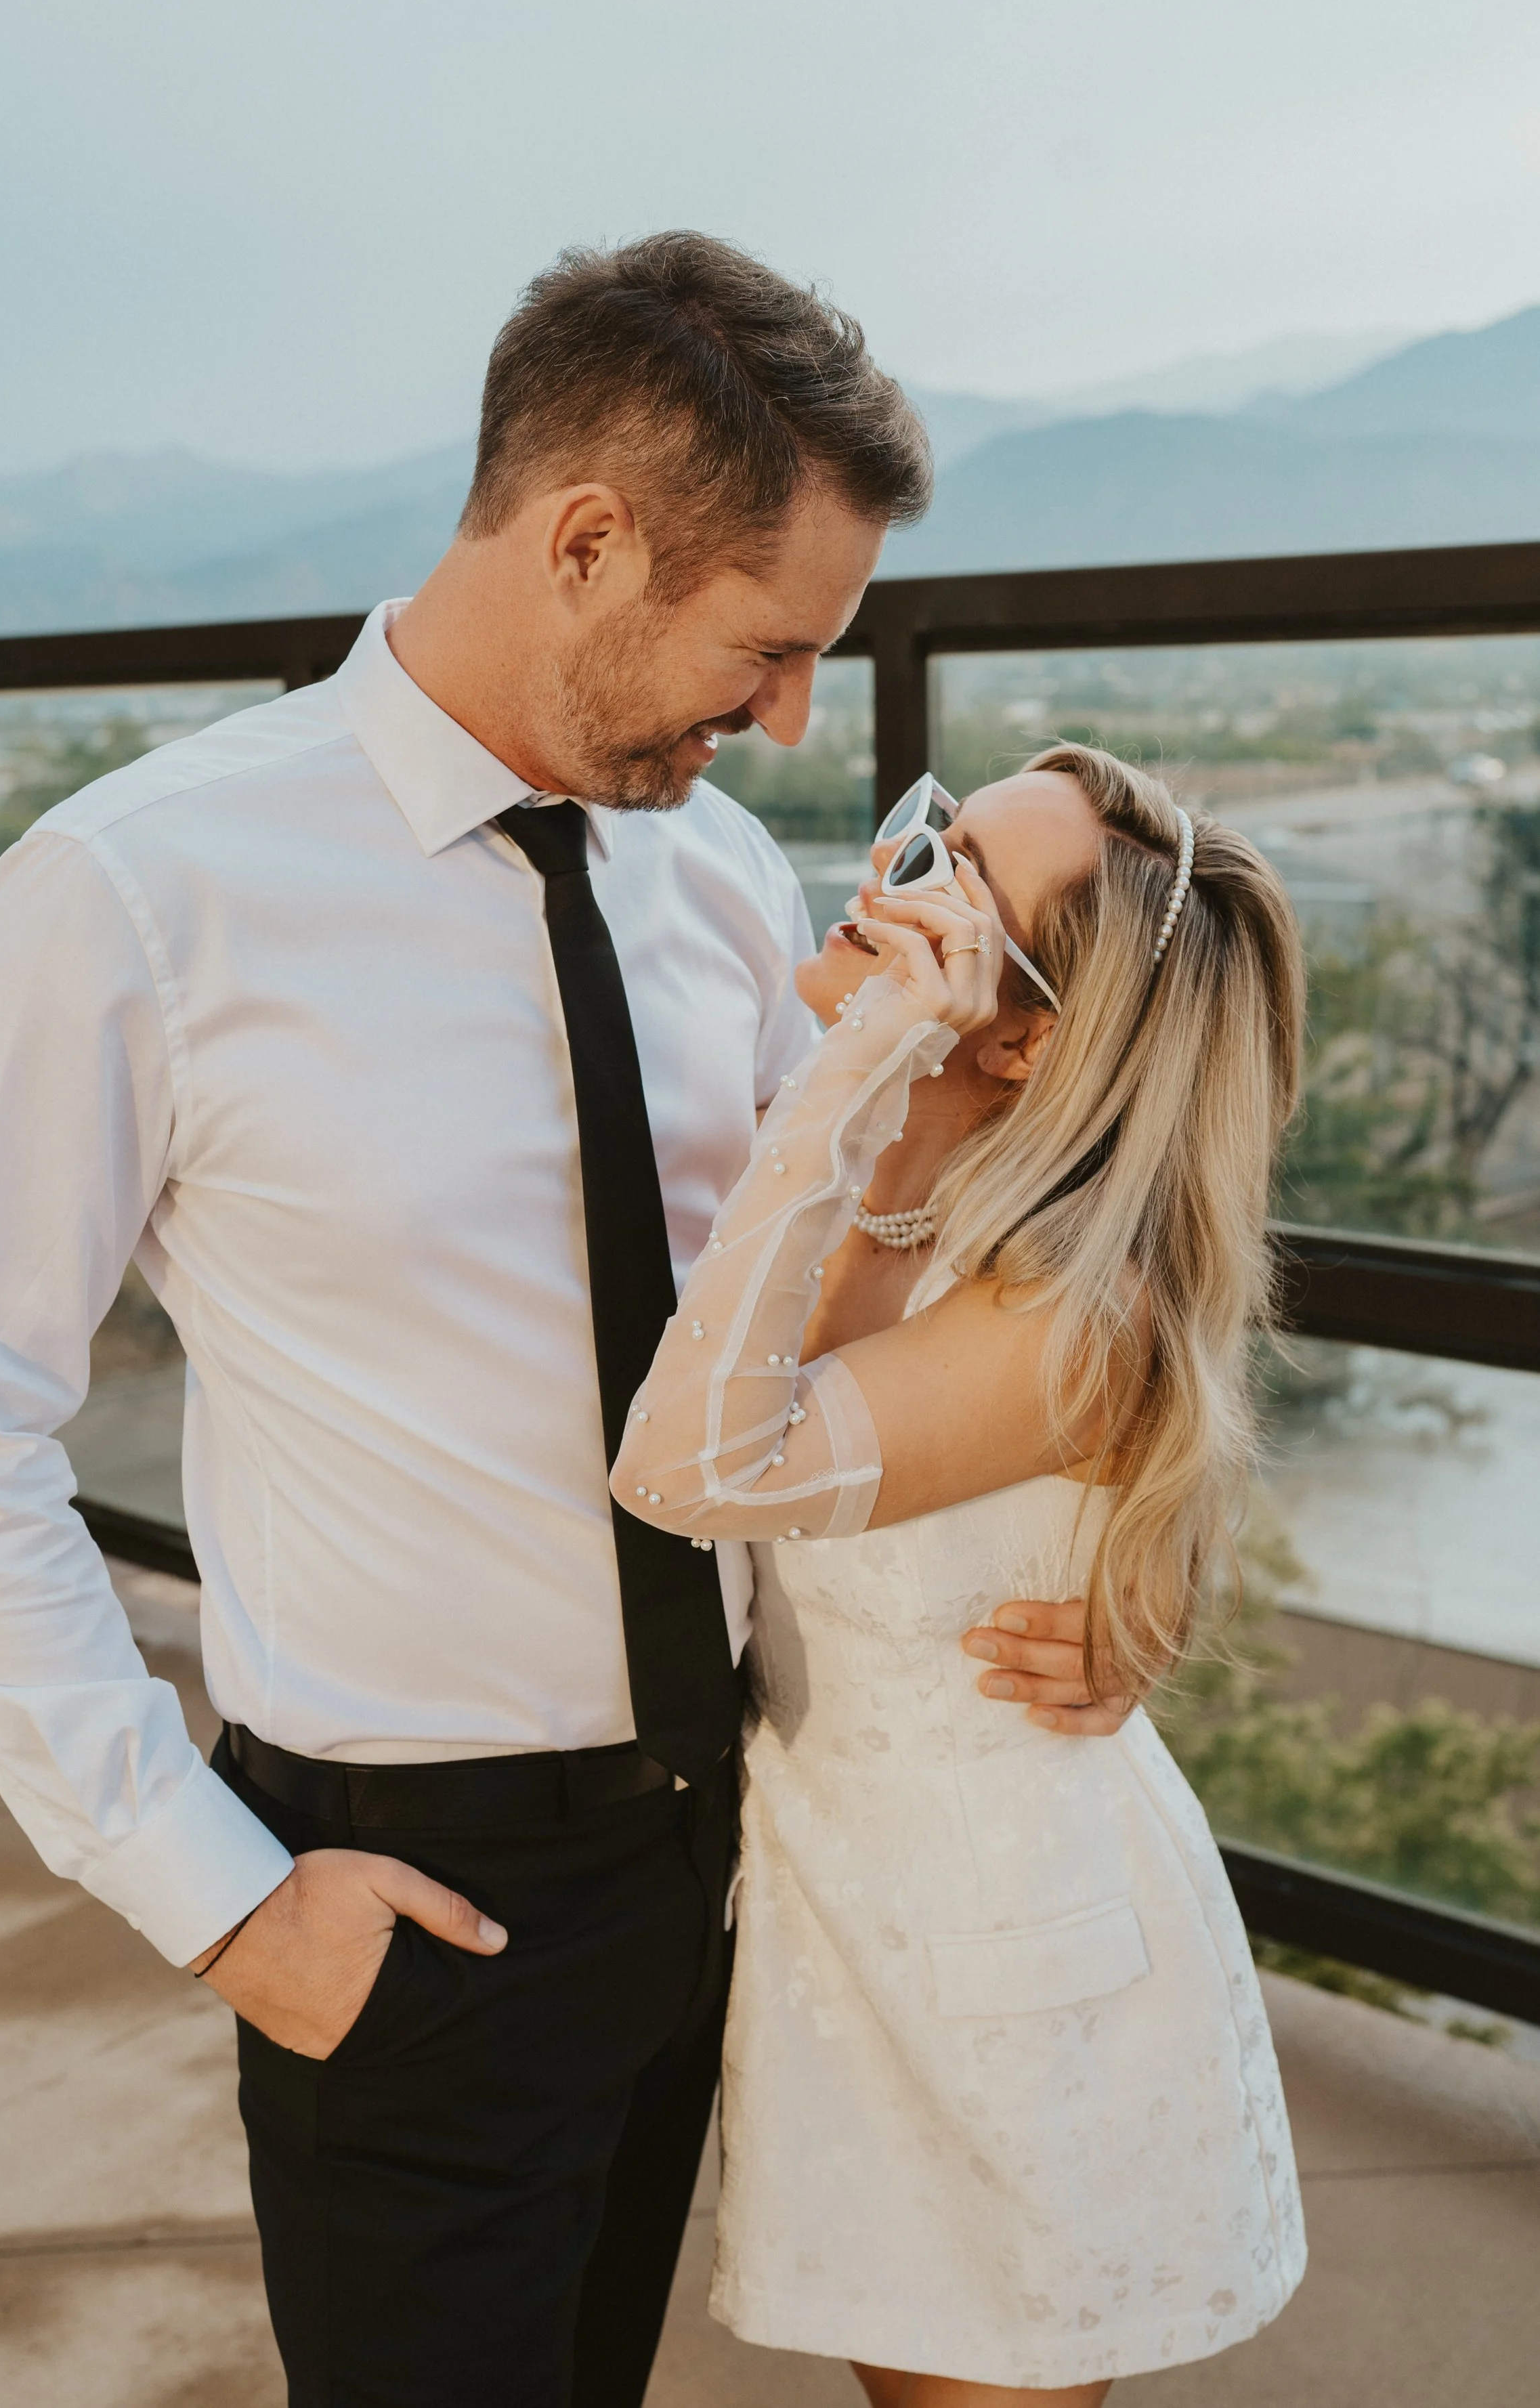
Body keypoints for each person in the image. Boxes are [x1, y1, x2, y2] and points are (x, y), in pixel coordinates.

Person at [0, 234, 1122, 2408]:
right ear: (585, 540)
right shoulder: (137, 886)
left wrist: (1097, 1574)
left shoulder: (715, 874)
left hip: (722, 1836)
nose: (792, 718)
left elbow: (822, 1340)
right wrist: (216, 1893)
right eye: (770, 644)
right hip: (402, 1891)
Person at [614, 746, 1310, 2405]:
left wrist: (850, 1074)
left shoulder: (1073, 1309)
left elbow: (686, 1472)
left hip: (1010, 1973)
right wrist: (876, 1105)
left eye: (952, 878)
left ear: (1022, 1038)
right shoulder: (902, 1195)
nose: (885, 873)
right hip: (851, 1927)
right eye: (928, 824)